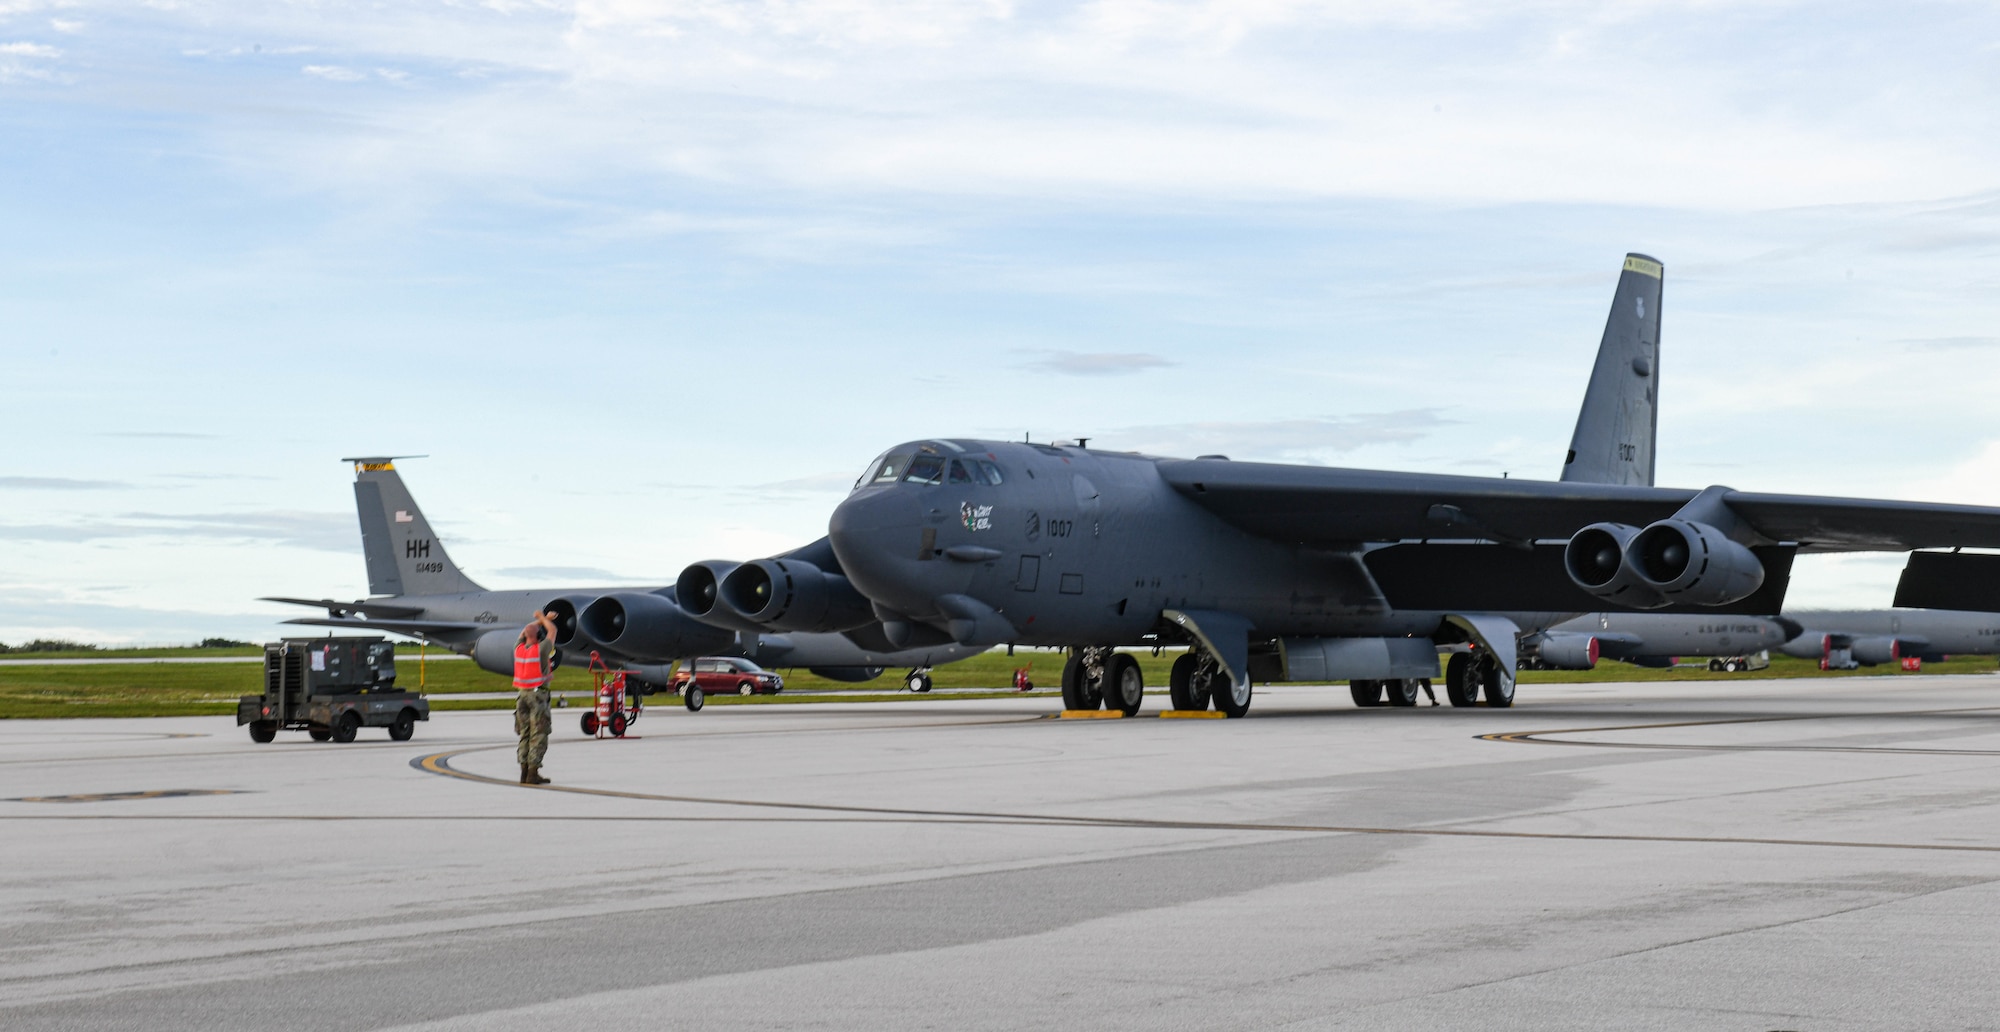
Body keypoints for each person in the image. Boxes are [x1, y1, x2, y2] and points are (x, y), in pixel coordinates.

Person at [513, 611, 557, 785]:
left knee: (524, 734)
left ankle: (524, 772)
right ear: (539, 636)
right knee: (539, 734)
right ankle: (533, 773)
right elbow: (552, 631)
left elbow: (526, 632)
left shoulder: (518, 648)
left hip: (521, 696)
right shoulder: (541, 649)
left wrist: (538, 621)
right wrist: (545, 619)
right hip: (537, 696)